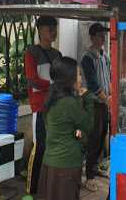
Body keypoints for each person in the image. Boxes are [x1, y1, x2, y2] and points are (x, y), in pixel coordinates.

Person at [38, 57, 95, 200]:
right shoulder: (69, 103)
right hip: (66, 165)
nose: (81, 78)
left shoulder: (52, 98)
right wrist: (87, 98)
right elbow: (88, 125)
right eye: (78, 74)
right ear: (69, 79)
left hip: (50, 163)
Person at [25, 16, 62, 195]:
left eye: (55, 28)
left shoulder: (57, 55)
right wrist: (53, 85)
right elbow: (32, 80)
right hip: (40, 107)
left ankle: (47, 185)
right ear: (39, 30)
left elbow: (62, 78)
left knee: (52, 146)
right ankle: (31, 188)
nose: (53, 32)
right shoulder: (31, 52)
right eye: (50, 29)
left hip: (56, 106)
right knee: (39, 147)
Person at [80, 23, 111, 192]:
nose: (103, 38)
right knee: (93, 138)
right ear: (92, 37)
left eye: (104, 35)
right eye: (100, 35)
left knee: (101, 137)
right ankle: (89, 176)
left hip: (104, 103)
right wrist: (107, 100)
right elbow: (92, 83)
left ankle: (96, 166)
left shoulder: (104, 56)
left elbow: (109, 78)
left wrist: (110, 97)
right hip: (93, 103)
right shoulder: (88, 57)